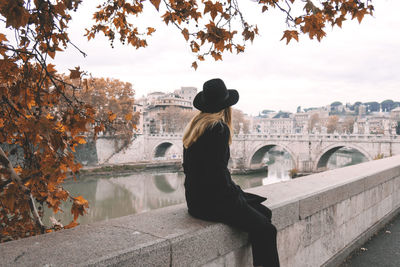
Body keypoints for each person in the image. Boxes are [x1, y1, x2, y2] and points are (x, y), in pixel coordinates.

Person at [182, 78, 280, 267]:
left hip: (195, 200)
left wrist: (238, 194)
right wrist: (237, 197)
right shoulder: (219, 129)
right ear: (226, 107)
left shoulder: (195, 127)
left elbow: (193, 170)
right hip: (213, 201)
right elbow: (217, 175)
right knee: (267, 230)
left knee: (264, 212)